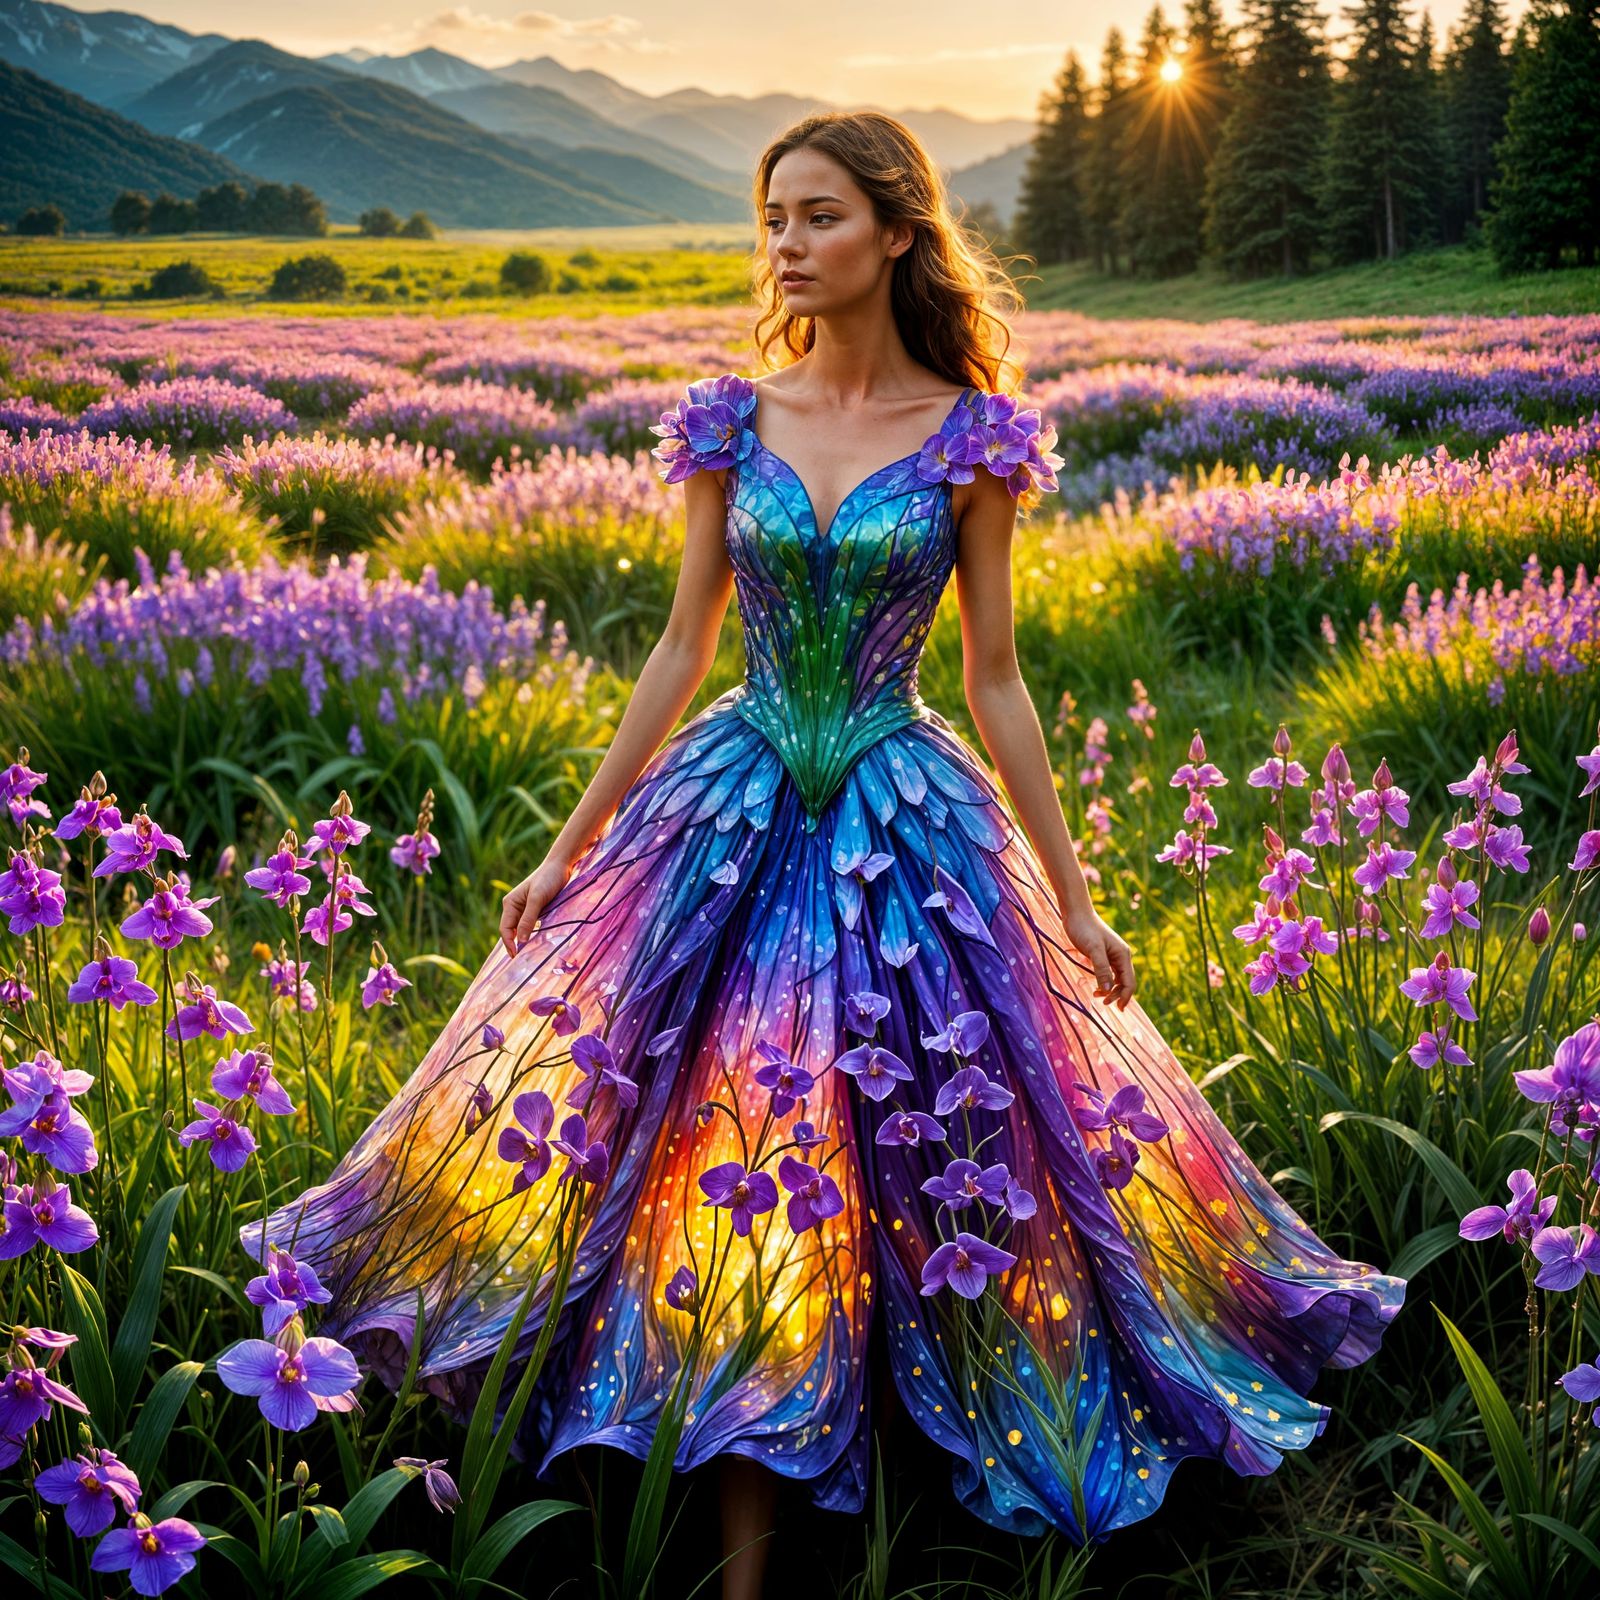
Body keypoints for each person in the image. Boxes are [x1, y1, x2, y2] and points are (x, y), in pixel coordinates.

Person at [256, 110, 1405, 1600]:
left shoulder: (974, 431)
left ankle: (953, 1432)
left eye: (815, 217)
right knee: (725, 1133)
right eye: (772, 219)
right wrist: (567, 847)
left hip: (903, 813)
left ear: (898, 232)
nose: (785, 246)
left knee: (935, 1144)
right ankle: (735, 1525)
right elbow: (680, 648)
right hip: (724, 809)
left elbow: (993, 679)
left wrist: (1072, 892)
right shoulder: (730, 417)